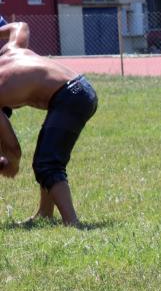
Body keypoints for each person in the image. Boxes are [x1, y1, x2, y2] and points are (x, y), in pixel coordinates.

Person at [0, 21, 97, 226]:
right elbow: (20, 25)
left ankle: (73, 223)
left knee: (47, 163)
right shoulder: (11, 50)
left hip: (70, 97)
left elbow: (13, 150)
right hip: (80, 87)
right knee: (45, 152)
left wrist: (12, 164)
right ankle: (45, 213)